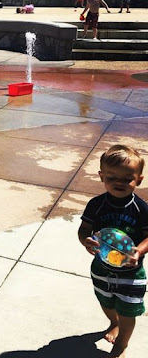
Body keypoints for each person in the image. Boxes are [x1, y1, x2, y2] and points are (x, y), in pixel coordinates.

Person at [78, 145, 148, 358]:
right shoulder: (96, 205)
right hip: (101, 268)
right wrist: (85, 241)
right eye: (112, 177)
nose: (119, 183)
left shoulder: (141, 209)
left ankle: (121, 345)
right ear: (101, 176)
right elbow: (84, 229)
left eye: (127, 178)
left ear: (139, 180)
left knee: (128, 311)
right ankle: (113, 322)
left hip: (131, 273)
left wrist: (139, 251)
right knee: (106, 302)